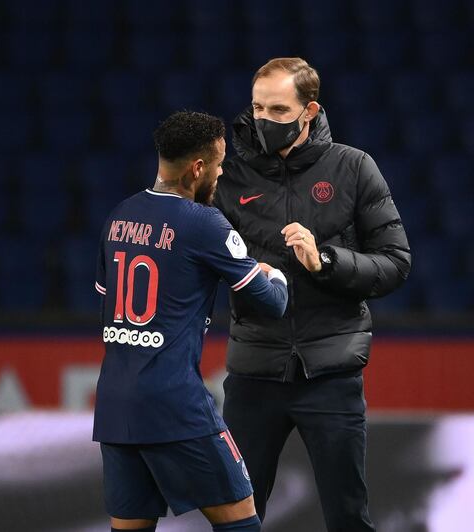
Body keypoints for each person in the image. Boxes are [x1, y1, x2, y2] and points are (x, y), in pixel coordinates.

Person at [213, 57, 411, 531]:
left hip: (331, 372)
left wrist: (326, 261)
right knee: (234, 518)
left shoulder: (354, 167)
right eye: (257, 108)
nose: (263, 121)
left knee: (347, 517)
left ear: (309, 110)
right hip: (254, 372)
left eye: (278, 111)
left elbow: (395, 263)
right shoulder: (230, 179)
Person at [93, 111, 289, 532]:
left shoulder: (118, 217)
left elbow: (106, 300)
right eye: (218, 164)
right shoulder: (204, 223)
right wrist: (278, 275)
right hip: (174, 404)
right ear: (197, 168)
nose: (220, 174)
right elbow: (271, 304)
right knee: (241, 521)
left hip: (114, 405)